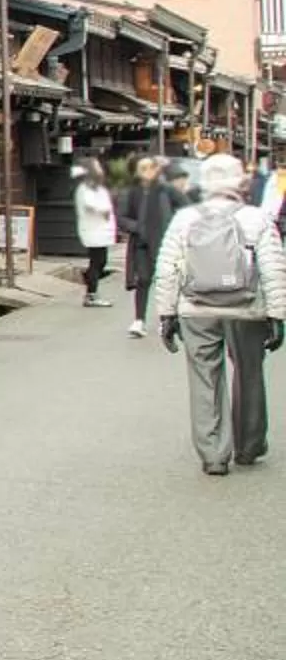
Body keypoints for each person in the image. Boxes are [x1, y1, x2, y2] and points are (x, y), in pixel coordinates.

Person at [149, 152, 286, 475]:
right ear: (241, 181)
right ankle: (249, 445)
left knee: (204, 378)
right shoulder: (257, 218)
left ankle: (213, 453)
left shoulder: (184, 219)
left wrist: (166, 314)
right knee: (249, 374)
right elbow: (273, 270)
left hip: (196, 309)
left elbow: (167, 269)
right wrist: (277, 315)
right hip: (247, 309)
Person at [123, 155, 184, 339]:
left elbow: (186, 206)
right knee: (143, 279)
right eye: (143, 168)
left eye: (151, 167)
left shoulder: (166, 190)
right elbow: (122, 217)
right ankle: (139, 320)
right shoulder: (132, 192)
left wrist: (175, 225)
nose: (148, 171)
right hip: (142, 243)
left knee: (166, 281)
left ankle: (166, 319)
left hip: (165, 242)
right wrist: (138, 227)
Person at [71, 159, 117, 308]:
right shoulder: (84, 188)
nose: (100, 170)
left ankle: (90, 284)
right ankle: (91, 294)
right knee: (97, 261)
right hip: (93, 230)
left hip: (101, 230)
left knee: (101, 261)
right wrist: (103, 210)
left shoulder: (98, 188)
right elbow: (90, 205)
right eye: (97, 167)